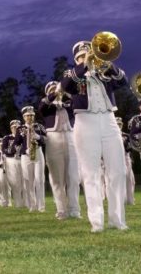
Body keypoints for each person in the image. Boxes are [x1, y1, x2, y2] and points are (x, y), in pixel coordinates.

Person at [61, 41, 128, 232]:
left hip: (108, 119)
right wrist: (84, 65)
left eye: (89, 54)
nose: (87, 57)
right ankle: (97, 221)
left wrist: (108, 63)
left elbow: (123, 81)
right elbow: (66, 85)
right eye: (82, 55)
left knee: (118, 171)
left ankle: (117, 220)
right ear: (77, 59)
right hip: (85, 122)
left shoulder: (104, 73)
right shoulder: (71, 73)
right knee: (90, 174)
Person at [39, 81, 81, 219]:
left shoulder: (69, 103)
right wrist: (54, 93)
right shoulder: (47, 105)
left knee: (74, 177)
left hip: (71, 137)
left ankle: (75, 210)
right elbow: (42, 106)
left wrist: (65, 91)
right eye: (51, 89)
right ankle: (62, 211)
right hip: (53, 138)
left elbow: (77, 100)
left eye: (57, 88)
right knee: (57, 179)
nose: (56, 91)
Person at [19, 106, 47, 213]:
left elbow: (47, 138)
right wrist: (23, 149)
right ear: (23, 117)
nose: (29, 117)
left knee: (39, 179)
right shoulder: (20, 129)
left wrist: (38, 137)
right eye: (27, 116)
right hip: (26, 156)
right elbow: (16, 143)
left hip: (38, 152)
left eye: (31, 115)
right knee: (28, 181)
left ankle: (41, 206)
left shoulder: (39, 126)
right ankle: (32, 205)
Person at [1, 120, 24, 208]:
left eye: (17, 127)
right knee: (15, 182)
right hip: (11, 160)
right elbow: (4, 150)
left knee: (24, 181)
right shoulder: (7, 138)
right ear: (11, 128)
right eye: (13, 127)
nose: (15, 128)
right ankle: (18, 202)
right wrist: (12, 151)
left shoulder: (23, 136)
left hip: (22, 159)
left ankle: (25, 202)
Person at [117, 117, 135, 206]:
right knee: (119, 179)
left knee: (129, 178)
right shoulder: (110, 136)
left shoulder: (126, 135)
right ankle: (121, 200)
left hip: (126, 157)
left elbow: (130, 148)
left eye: (120, 124)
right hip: (116, 158)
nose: (119, 126)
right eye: (117, 124)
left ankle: (130, 199)